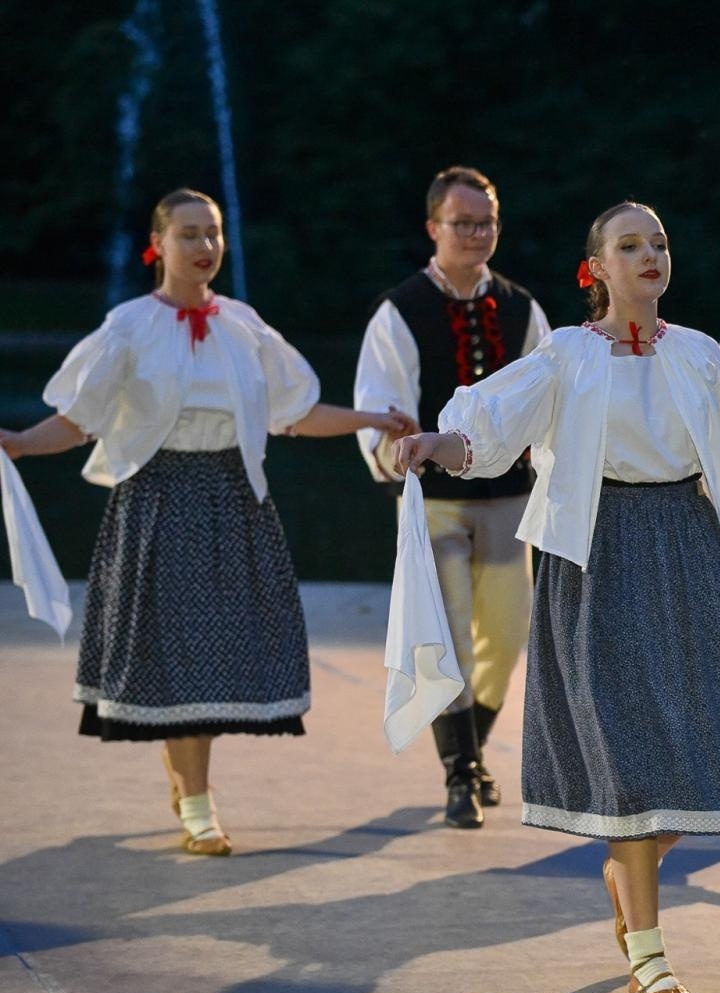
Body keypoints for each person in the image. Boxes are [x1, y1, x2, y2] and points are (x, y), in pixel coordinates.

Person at [391, 202, 720, 993]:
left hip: (686, 548)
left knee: (703, 748)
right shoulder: (563, 357)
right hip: (594, 553)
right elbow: (484, 433)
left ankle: (629, 869)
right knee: (626, 757)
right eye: (630, 245)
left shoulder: (697, 355)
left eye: (660, 241)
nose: (650, 254)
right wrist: (431, 447)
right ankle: (651, 958)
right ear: (597, 270)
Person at [0, 188, 415, 857]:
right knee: (183, 663)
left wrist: (369, 420)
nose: (204, 247)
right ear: (157, 245)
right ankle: (198, 804)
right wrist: (19, 442)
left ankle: (189, 789)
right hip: (158, 501)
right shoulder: (128, 326)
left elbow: (295, 414)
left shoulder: (244, 326)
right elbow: (81, 420)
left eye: (214, 234)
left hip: (233, 499)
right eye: (189, 234)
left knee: (218, 660)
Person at [355, 166, 551, 830]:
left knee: (506, 630)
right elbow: (380, 404)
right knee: (449, 636)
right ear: (433, 227)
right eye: (463, 222)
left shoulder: (523, 308)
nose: (476, 233)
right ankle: (460, 774)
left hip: (508, 496)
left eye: (486, 221)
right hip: (436, 497)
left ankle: (471, 752)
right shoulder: (401, 310)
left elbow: (546, 400)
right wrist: (395, 449)